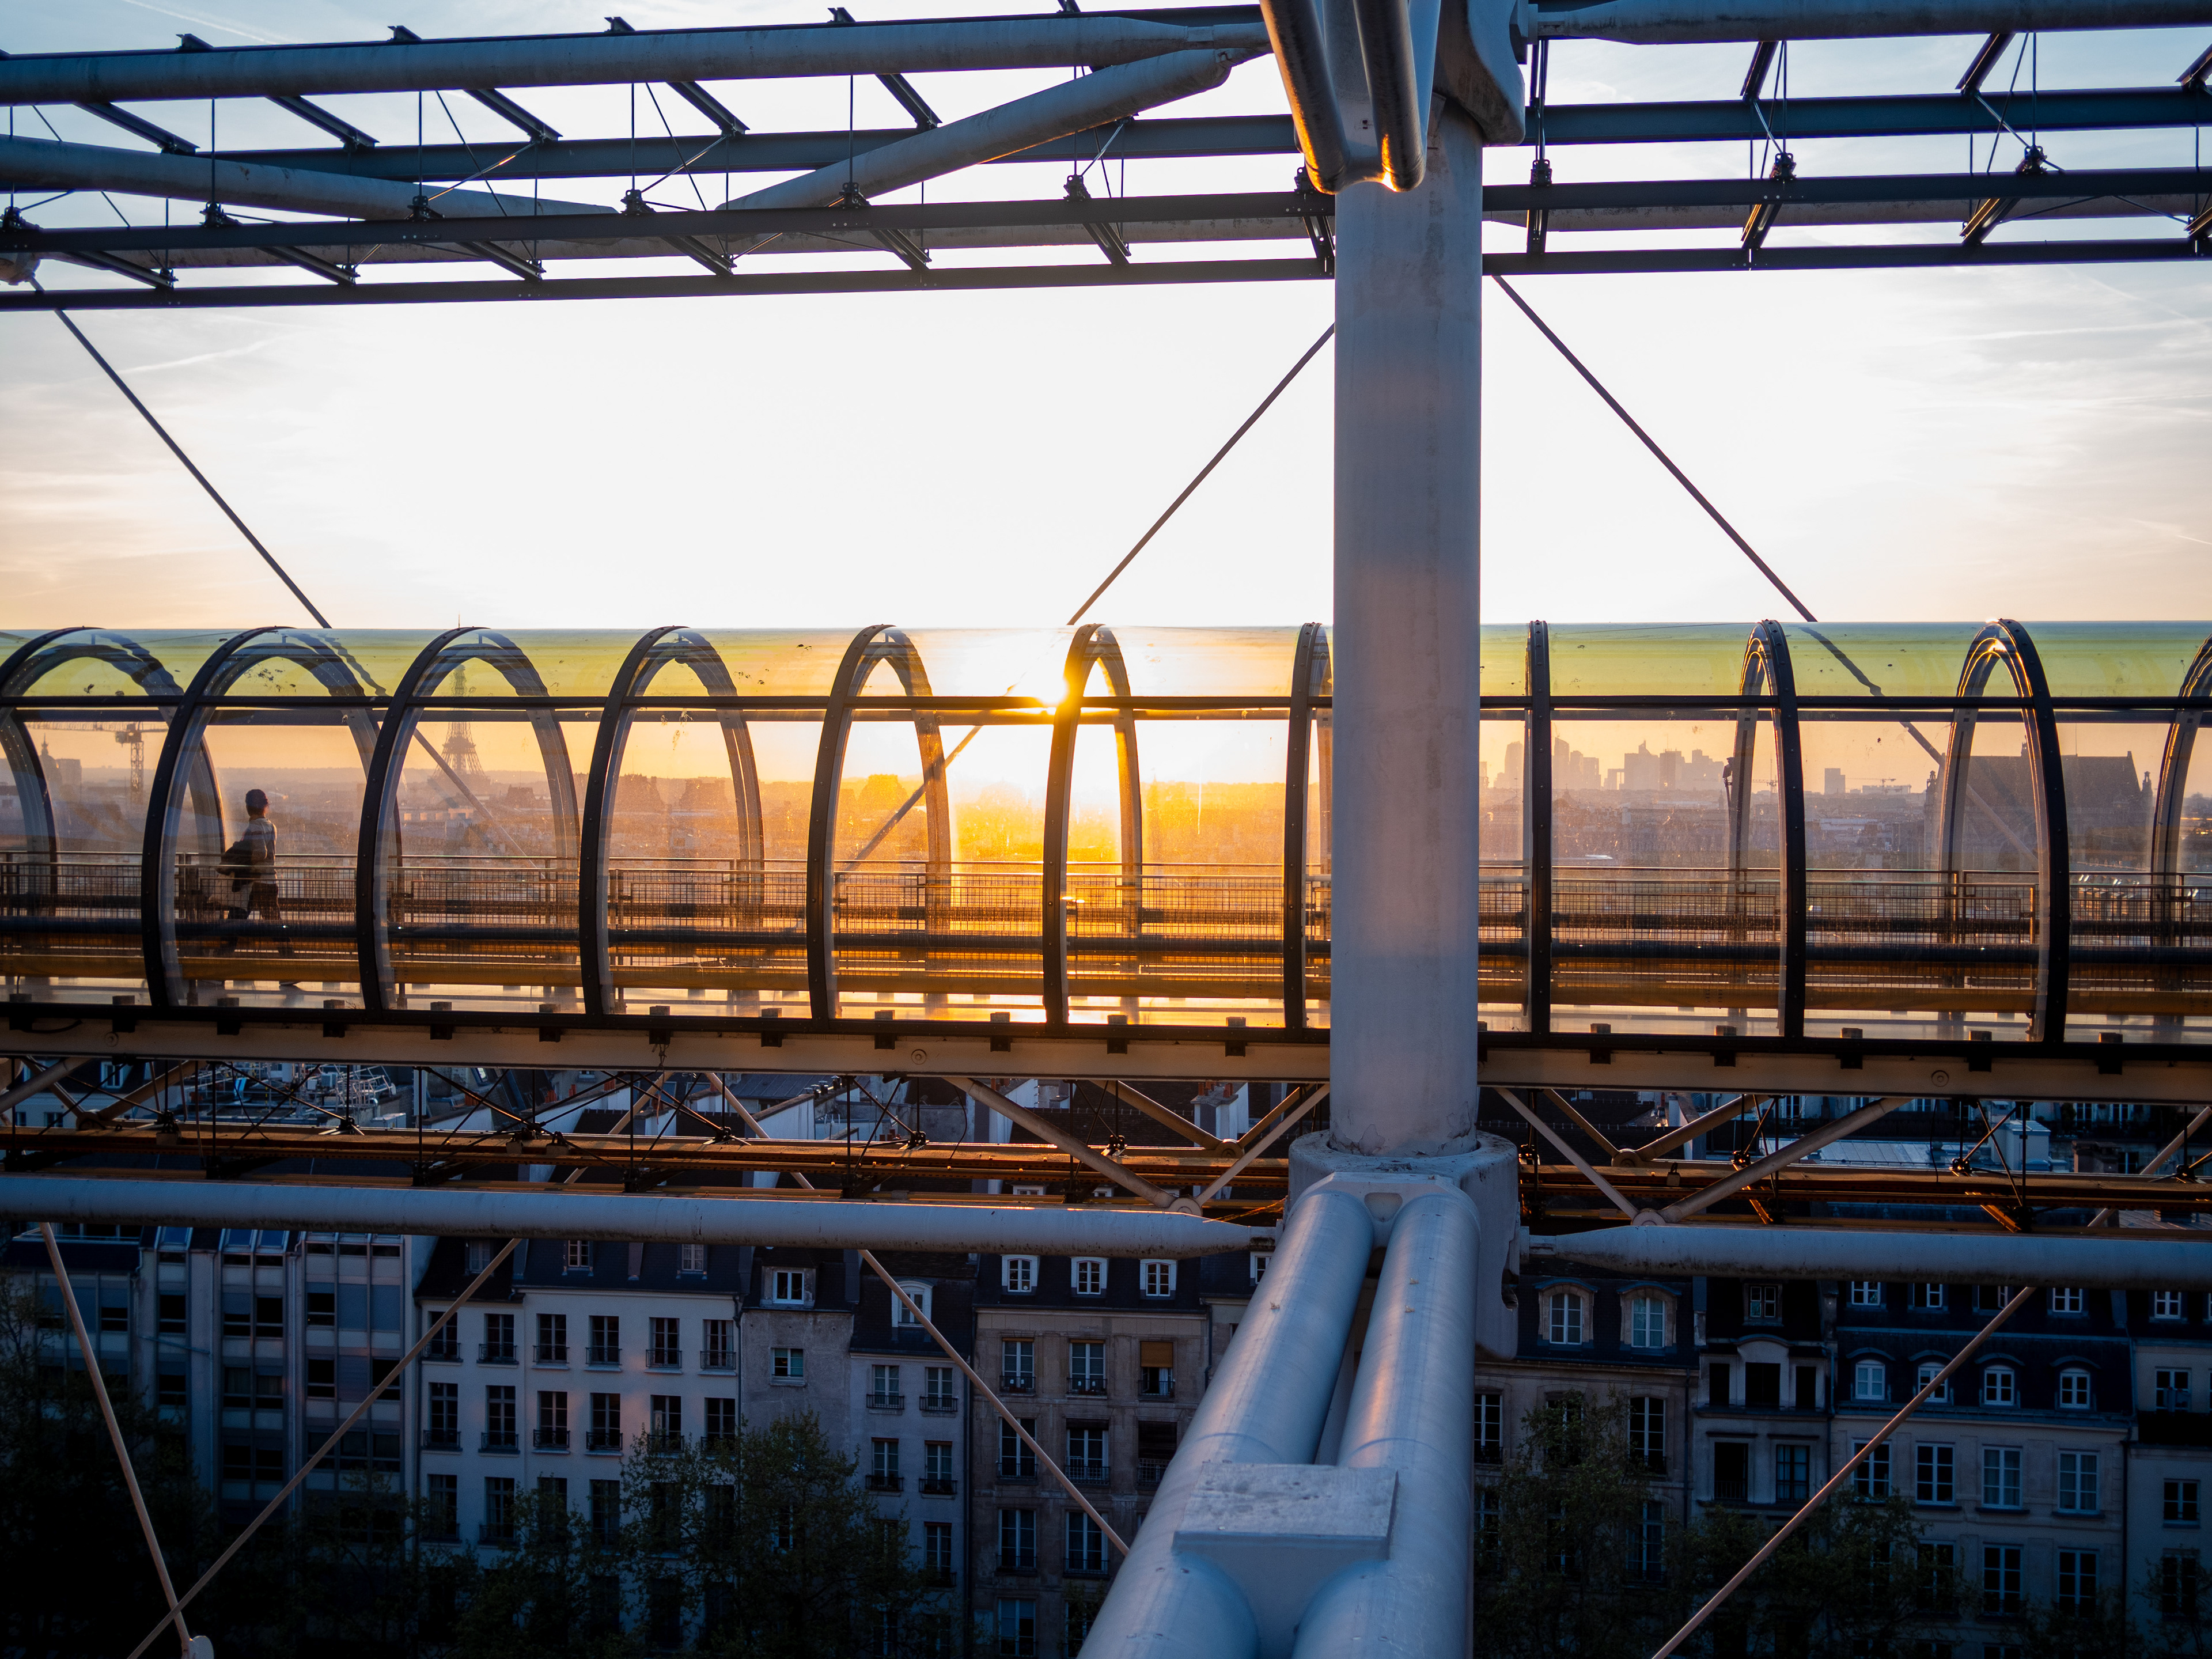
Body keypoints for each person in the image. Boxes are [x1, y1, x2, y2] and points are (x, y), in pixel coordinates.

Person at [217, 789, 287, 952]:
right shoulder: (271, 825)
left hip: (254, 882)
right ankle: (289, 955)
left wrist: (243, 859)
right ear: (265, 806)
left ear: (248, 807)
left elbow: (259, 853)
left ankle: (222, 955)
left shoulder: (255, 826)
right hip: (269, 881)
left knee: (235, 919)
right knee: (274, 923)